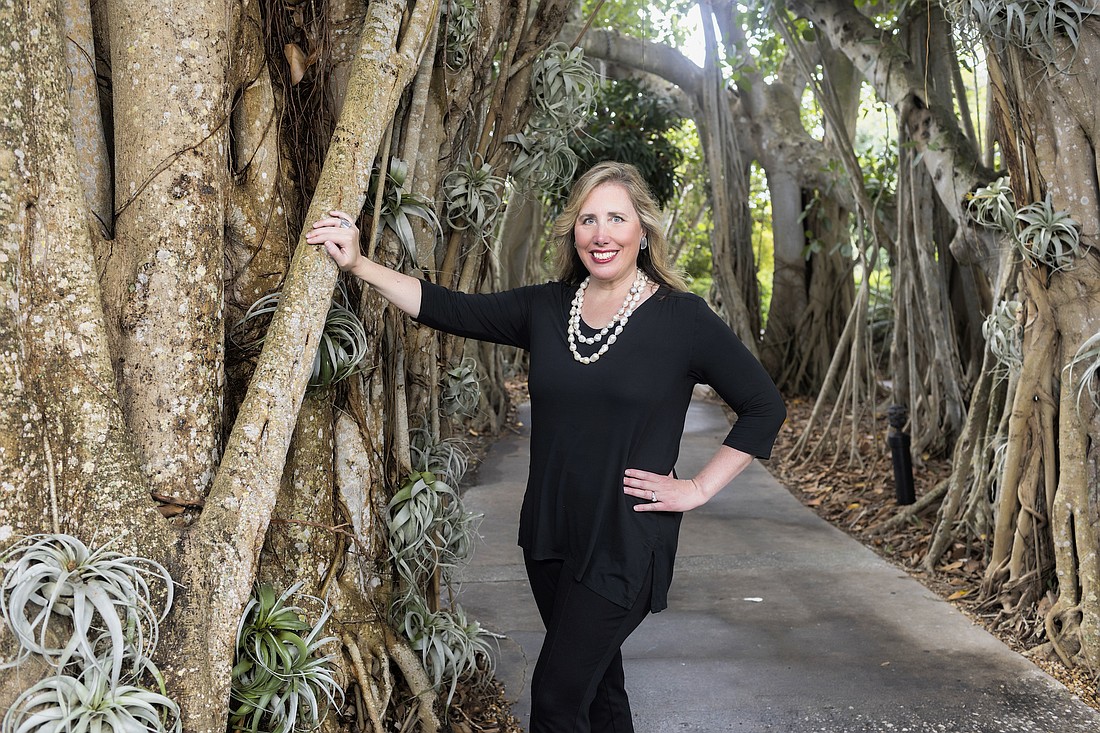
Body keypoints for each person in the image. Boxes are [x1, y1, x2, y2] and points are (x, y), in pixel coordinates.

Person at [307, 161, 786, 732]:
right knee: (600, 690)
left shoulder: (682, 319)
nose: (601, 234)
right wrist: (359, 263)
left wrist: (699, 487)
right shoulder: (548, 307)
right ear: (573, 232)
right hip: (551, 532)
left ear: (644, 231)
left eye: (616, 218)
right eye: (588, 219)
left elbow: (764, 405)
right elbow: (451, 308)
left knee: (557, 700)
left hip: (625, 537)